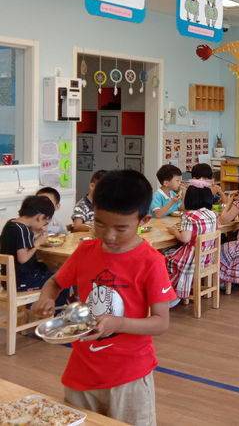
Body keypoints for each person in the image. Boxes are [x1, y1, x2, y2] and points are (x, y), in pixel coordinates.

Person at [31, 170, 175, 426]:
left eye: (121, 228)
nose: (109, 235)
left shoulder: (151, 262)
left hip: (129, 376)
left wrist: (118, 323)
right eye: (99, 224)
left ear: (143, 220)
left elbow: (161, 322)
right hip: (82, 372)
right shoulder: (86, 251)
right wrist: (46, 298)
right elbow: (54, 283)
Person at [164, 180, 218, 304]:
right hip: (207, 258)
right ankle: (181, 290)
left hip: (191, 259)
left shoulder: (189, 216)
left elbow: (185, 238)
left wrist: (174, 232)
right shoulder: (212, 214)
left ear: (189, 199)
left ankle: (172, 293)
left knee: (164, 257)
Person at [0, 196, 58, 294]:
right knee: (60, 280)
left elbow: (19, 244)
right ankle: (51, 304)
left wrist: (35, 235)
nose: (44, 226)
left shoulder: (11, 223)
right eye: (45, 222)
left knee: (48, 269)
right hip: (21, 282)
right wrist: (38, 243)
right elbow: (22, 258)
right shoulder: (23, 230)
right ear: (40, 217)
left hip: (8, 280)